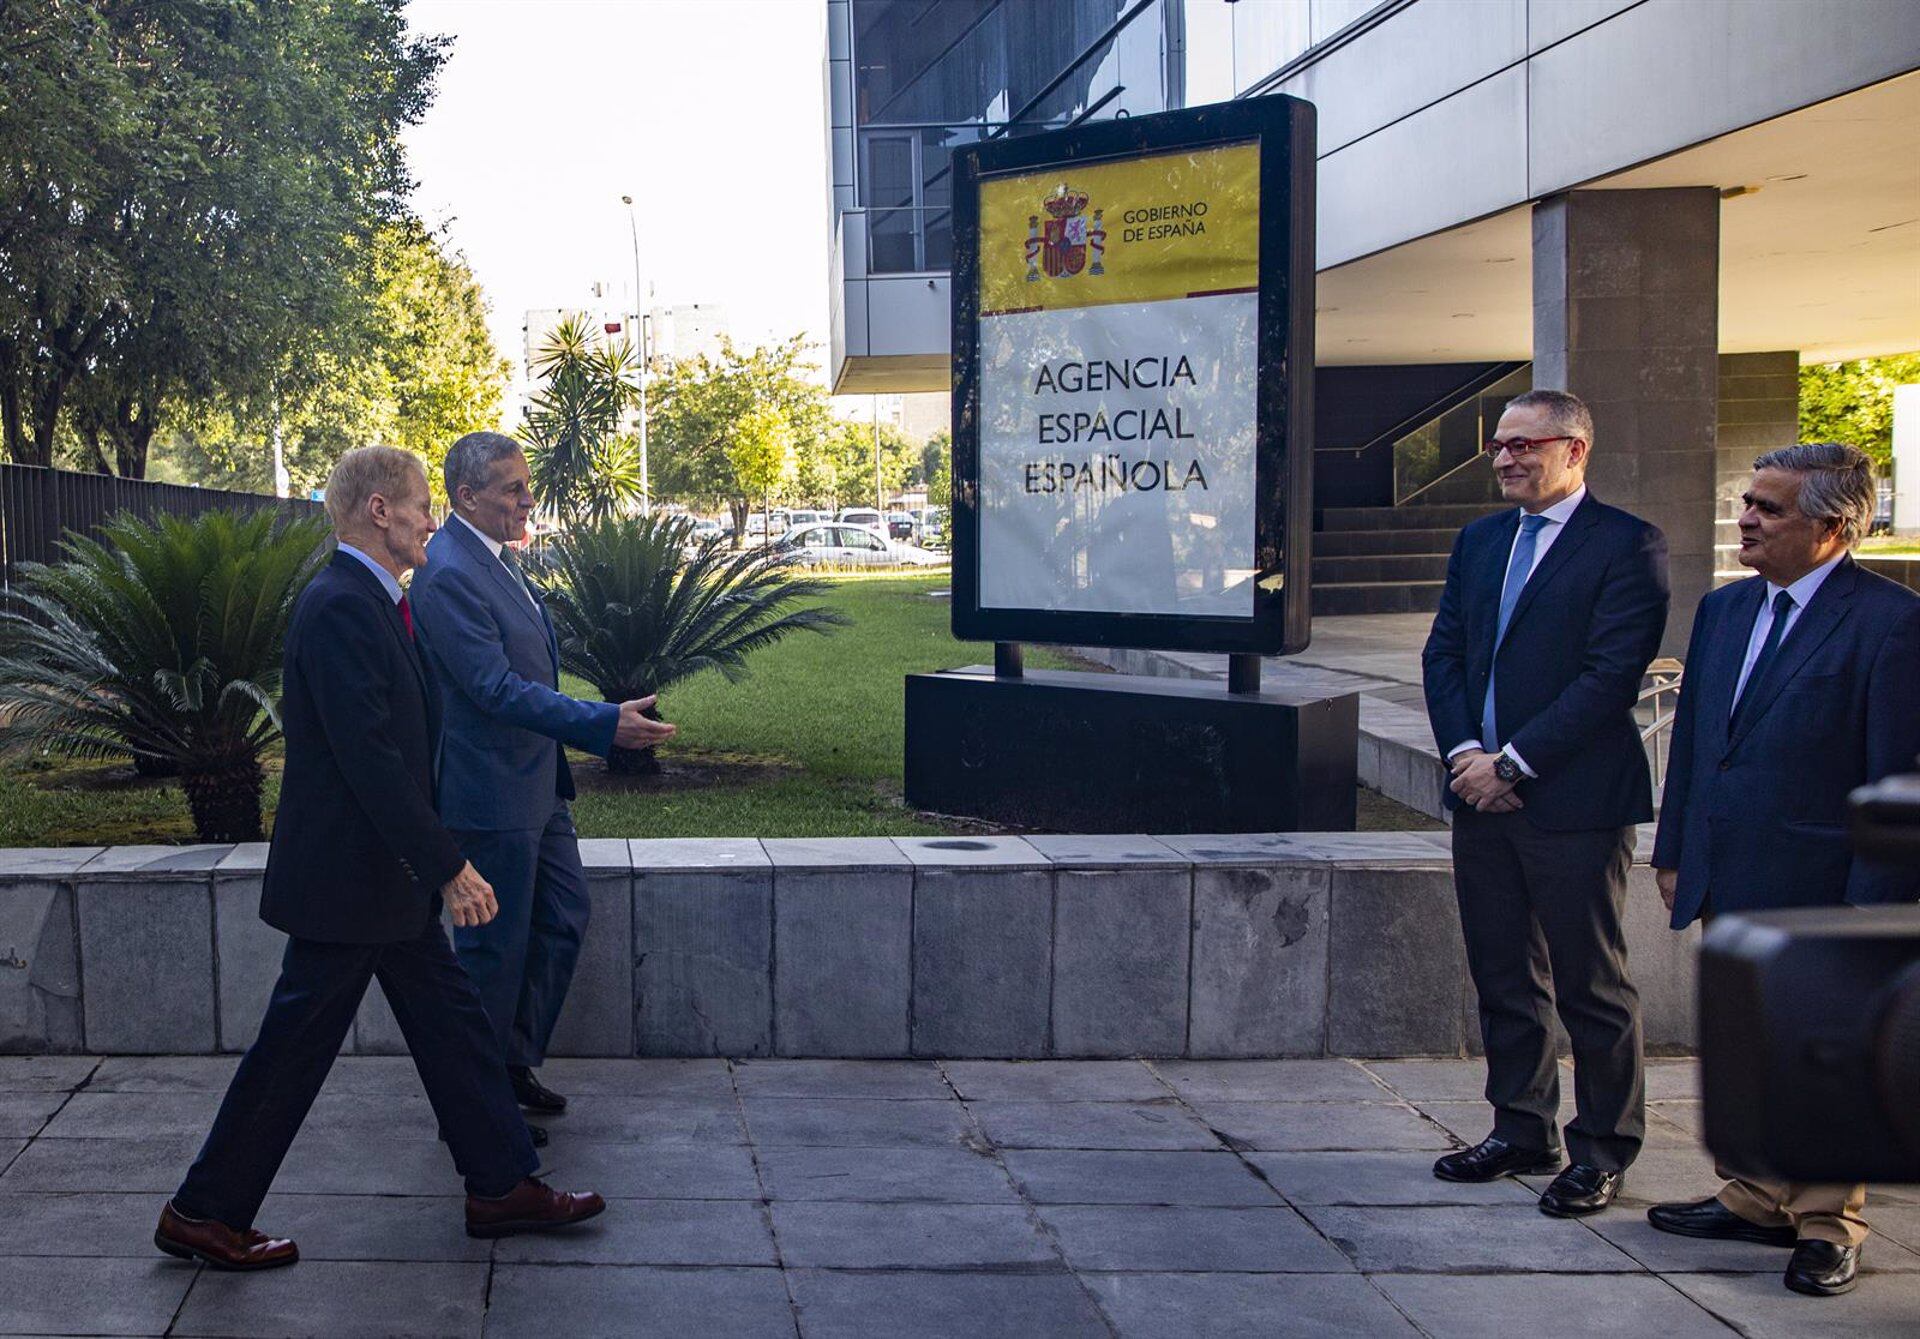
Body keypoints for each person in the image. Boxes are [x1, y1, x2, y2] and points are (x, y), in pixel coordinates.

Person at [154, 446, 604, 1271]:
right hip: (350, 884)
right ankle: (204, 1210)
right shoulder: (340, 608)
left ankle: (502, 1183)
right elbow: (369, 760)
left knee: (456, 1027)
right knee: (295, 1048)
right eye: (424, 503)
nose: (434, 518)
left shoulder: (372, 598)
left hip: (376, 882)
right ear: (379, 511)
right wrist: (447, 863)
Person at [1646, 441, 1920, 1298]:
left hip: (1825, 878)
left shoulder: (1892, 622)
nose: (1746, 518)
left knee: (1827, 1052)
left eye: (1769, 507)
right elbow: (1694, 743)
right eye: (1748, 502)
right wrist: (1675, 848)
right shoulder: (1724, 611)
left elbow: (1894, 772)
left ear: (1834, 527)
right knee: (1747, 1044)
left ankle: (1828, 1222)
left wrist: (1872, 904)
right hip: (1727, 866)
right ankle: (1760, 1193)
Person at [1420, 388, 1669, 1217]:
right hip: (1478, 799)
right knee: (1503, 973)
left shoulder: (1627, 545)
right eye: (1499, 445)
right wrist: (1464, 756)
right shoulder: (1480, 539)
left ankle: (1603, 1148)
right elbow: (1445, 653)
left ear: (1576, 450)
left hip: (1572, 801)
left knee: (1590, 984)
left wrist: (1513, 764)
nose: (1507, 458)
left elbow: (1609, 678)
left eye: (1527, 445)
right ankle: (1522, 1126)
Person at [409, 432, 674, 1125]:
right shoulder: (447, 573)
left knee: (561, 917)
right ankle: (475, 1109)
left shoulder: (492, 558)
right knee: (492, 953)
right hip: (489, 795)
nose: (529, 499)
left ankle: (508, 1065)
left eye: (527, 485)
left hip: (535, 789)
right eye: (513, 489)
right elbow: (494, 689)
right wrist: (599, 722)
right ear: (467, 497)